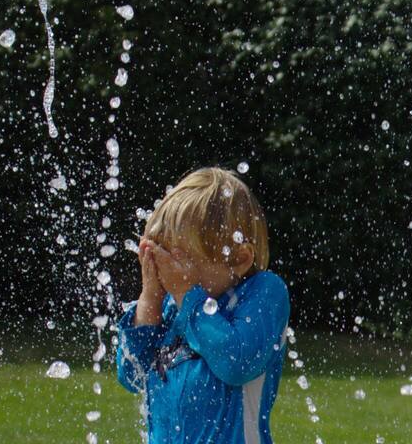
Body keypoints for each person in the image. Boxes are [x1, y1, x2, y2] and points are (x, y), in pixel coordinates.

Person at [115, 167, 290, 444]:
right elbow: (131, 375)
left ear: (239, 259)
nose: (166, 270)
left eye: (178, 258)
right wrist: (150, 298)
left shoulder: (261, 293)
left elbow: (236, 364)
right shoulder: (174, 307)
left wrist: (187, 295)